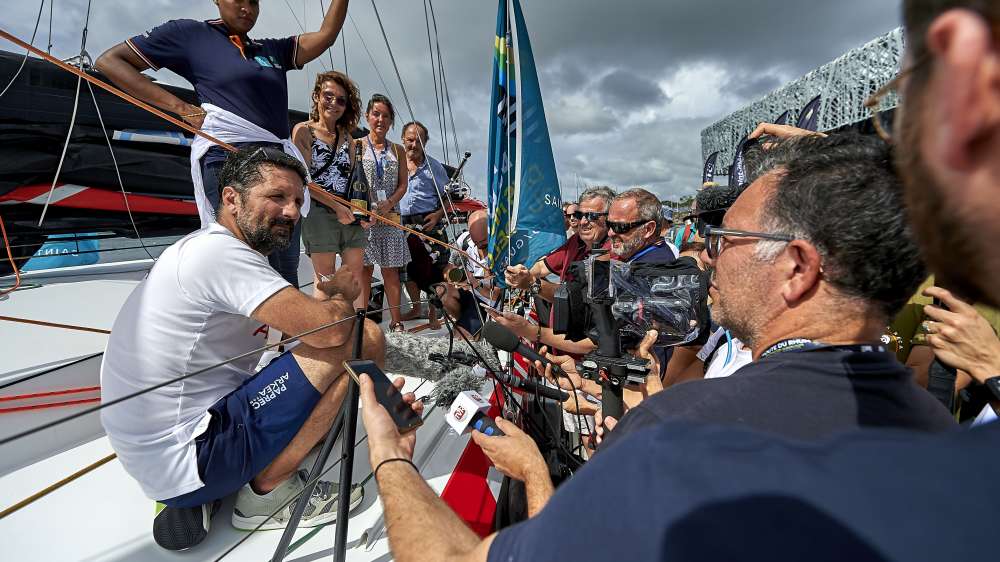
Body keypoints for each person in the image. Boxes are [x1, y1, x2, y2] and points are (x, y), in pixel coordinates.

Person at [353, 2, 1000, 561]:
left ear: (798, 269)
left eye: (727, 242)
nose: (707, 260)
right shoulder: (954, 452)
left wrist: (394, 453)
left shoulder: (677, 445)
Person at [100, 148, 379, 551]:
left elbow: (290, 336)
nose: (292, 212)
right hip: (194, 451)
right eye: (277, 197)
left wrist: (316, 310)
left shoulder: (198, 248)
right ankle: (266, 493)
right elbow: (332, 333)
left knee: (298, 358)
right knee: (364, 337)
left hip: (155, 452)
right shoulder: (222, 254)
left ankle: (199, 491)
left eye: (299, 201)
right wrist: (340, 296)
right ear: (231, 198)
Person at [94, 0, 351, 286]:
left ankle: (281, 331)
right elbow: (110, 62)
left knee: (285, 271)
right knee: (244, 264)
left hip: (278, 169)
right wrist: (179, 107)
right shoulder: (190, 34)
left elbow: (326, 34)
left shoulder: (271, 50)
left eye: (254, 2)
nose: (247, 8)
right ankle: (240, 329)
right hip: (230, 162)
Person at [291, 70, 367, 307]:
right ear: (316, 96)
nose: (334, 103)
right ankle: (325, 339)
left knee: (354, 279)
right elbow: (302, 179)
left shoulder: (348, 138)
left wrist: (364, 212)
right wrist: (337, 207)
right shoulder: (303, 131)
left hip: (348, 214)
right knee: (326, 279)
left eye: (341, 100)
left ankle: (355, 336)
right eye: (328, 96)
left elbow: (357, 179)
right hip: (319, 213)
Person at [358, 94, 410, 332]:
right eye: (376, 114)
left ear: (391, 121)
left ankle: (396, 321)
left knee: (391, 270)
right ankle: (361, 320)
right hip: (365, 218)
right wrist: (364, 207)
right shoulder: (357, 145)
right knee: (364, 270)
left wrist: (389, 203)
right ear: (367, 116)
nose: (380, 119)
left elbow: (403, 184)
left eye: (386, 116)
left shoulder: (398, 150)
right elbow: (353, 181)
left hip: (390, 216)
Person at [398, 121, 451, 325]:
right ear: (403, 139)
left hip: (428, 220)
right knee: (406, 269)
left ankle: (432, 311)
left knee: (432, 269)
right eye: (410, 140)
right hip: (402, 222)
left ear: (425, 143)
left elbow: (449, 197)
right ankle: (415, 308)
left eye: (418, 141)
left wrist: (438, 215)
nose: (414, 145)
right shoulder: (396, 164)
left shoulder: (434, 167)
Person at [435, 210, 499, 338]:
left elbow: (496, 295)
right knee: (441, 289)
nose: (479, 246)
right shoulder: (464, 240)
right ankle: (464, 323)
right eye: (476, 243)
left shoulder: (501, 249)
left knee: (458, 340)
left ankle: (469, 329)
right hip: (469, 295)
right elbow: (448, 269)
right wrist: (454, 277)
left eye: (483, 243)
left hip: (487, 303)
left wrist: (475, 284)